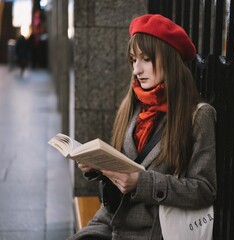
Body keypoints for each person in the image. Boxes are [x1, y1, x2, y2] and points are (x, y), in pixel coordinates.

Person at [68, 14, 217, 240]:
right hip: (110, 218)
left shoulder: (198, 115)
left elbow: (205, 189)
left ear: (168, 59)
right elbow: (127, 167)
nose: (137, 70)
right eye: (133, 60)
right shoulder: (134, 105)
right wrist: (98, 167)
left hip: (152, 231)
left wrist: (142, 183)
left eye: (145, 59)